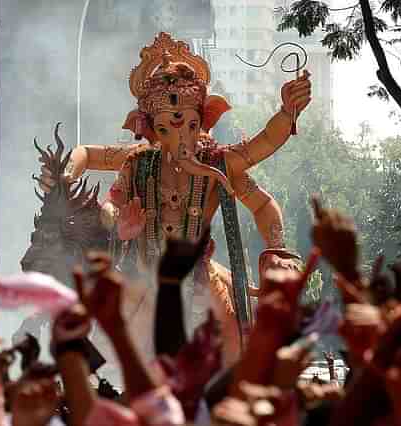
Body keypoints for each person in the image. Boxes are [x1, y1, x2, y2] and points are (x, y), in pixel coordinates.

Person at [39, 32, 312, 361]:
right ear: (151, 127)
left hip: (201, 282)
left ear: (202, 121)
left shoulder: (219, 164)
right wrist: (105, 212)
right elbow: (88, 158)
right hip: (144, 281)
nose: (181, 138)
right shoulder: (138, 162)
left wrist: (287, 111)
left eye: (190, 125)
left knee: (236, 352)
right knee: (115, 352)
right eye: (167, 128)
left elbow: (263, 157)